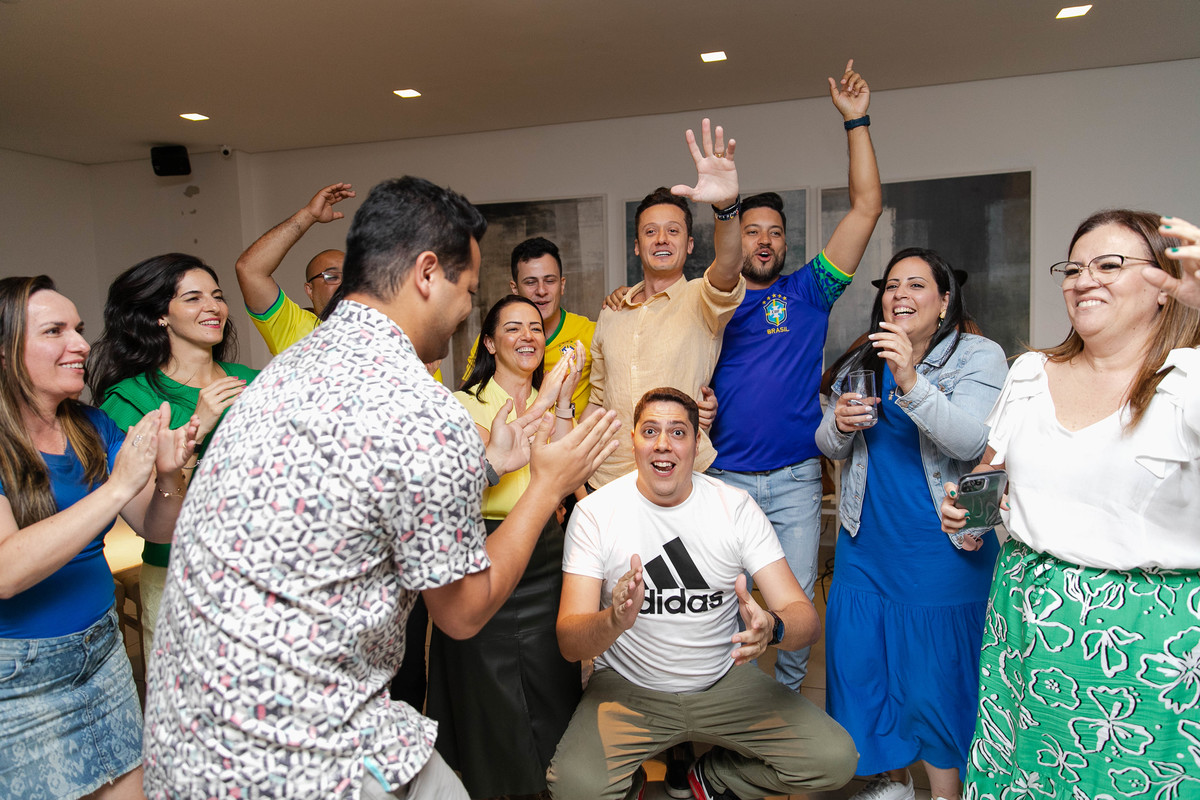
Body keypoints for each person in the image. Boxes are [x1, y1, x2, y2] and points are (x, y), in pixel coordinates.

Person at [141, 176, 620, 800]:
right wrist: (546, 485)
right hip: (298, 756)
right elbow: (463, 613)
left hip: (190, 742)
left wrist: (487, 465)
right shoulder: (420, 406)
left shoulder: (287, 368)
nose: (465, 310)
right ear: (427, 273)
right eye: (468, 291)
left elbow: (364, 482)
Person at [941, 211, 1200, 798]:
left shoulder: (1187, 382)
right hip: (1024, 623)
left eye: (1109, 265)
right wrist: (969, 511)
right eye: (1075, 268)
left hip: (1148, 644)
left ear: (1165, 287)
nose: (1085, 280)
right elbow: (993, 476)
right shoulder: (1031, 373)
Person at [548, 387, 857, 800]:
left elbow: (806, 620)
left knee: (835, 759)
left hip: (724, 681)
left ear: (697, 444)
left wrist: (773, 627)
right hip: (628, 686)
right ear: (633, 441)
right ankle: (630, 786)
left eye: (678, 432)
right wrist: (613, 620)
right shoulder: (595, 513)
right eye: (650, 431)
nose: (663, 443)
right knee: (574, 789)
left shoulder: (735, 507)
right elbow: (569, 642)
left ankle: (714, 777)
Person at [706, 58, 882, 691]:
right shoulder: (710, 299)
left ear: (785, 243)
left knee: (796, 606)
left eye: (774, 233)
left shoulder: (808, 292)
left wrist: (856, 121)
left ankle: (782, 714)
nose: (763, 240)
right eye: (750, 230)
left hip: (795, 480)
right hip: (723, 481)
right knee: (721, 607)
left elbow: (866, 207)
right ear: (733, 238)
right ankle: (725, 713)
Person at [816, 248, 1007, 800]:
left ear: (945, 300)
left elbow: (971, 441)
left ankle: (947, 792)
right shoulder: (863, 357)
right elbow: (826, 444)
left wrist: (909, 377)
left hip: (942, 547)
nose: (900, 294)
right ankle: (892, 780)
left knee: (935, 681)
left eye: (917, 284)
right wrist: (840, 425)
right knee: (863, 668)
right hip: (866, 546)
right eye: (892, 285)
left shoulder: (978, 355)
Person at [0, 275, 195, 800]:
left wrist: (169, 476)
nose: (81, 344)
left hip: (103, 652)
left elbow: (155, 527)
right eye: (55, 331)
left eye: (79, 329)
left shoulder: (91, 424)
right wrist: (118, 486)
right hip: (18, 676)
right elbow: (5, 573)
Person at [427, 295, 585, 798]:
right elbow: (492, 461)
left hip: (545, 548)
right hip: (483, 544)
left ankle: (553, 783)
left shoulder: (553, 401)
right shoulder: (460, 403)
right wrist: (546, 402)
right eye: (513, 328)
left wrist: (563, 402)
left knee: (550, 672)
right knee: (487, 681)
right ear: (490, 343)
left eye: (535, 327)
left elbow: (562, 476)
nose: (527, 336)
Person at [89, 253, 259, 656]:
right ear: (160, 316)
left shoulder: (253, 381)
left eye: (217, 296)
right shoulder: (130, 398)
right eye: (193, 298)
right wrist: (198, 427)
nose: (213, 307)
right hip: (180, 576)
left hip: (261, 569)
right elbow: (145, 511)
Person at [587, 119, 746, 489]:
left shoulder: (703, 299)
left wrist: (725, 208)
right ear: (637, 246)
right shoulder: (611, 311)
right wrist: (576, 475)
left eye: (673, 231)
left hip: (681, 476)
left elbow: (728, 266)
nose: (661, 238)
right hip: (609, 480)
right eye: (650, 231)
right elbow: (598, 400)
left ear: (689, 245)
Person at [462, 237, 595, 421]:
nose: (541, 291)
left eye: (550, 281)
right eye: (531, 282)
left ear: (562, 285)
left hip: (567, 431)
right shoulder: (496, 339)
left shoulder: (591, 333)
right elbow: (468, 402)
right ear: (515, 288)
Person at [235, 181, 355, 355]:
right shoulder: (293, 326)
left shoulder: (379, 327)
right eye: (332, 276)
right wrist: (309, 215)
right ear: (309, 290)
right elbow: (250, 269)